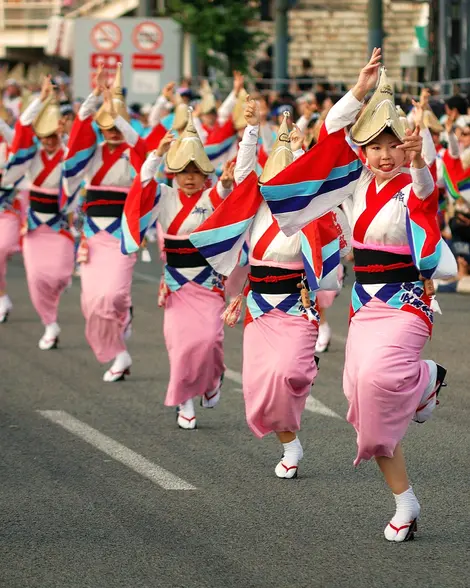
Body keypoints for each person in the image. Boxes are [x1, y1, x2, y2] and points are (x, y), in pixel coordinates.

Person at [259, 48, 456, 541]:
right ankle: (404, 501)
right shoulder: (351, 187)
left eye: (392, 145)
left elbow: (428, 191)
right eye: (374, 146)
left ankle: (423, 377)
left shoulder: (412, 185)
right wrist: (360, 89)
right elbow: (330, 132)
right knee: (362, 398)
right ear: (362, 151)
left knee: (377, 377)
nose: (384, 154)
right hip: (365, 303)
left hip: (408, 301)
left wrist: (419, 161)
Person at [190, 103, 347, 477]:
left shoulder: (312, 212)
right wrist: (251, 130)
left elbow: (336, 247)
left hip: (296, 304)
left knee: (289, 372)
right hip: (259, 307)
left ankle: (306, 367)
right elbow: (245, 173)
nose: (278, 189)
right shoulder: (256, 205)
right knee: (261, 385)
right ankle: (289, 444)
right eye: (274, 183)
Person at [121, 109, 235, 429]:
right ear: (173, 173)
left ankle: (212, 379)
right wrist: (156, 155)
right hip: (176, 285)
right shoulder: (164, 195)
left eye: (196, 171)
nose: (189, 177)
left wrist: (226, 185)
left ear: (205, 175)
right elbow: (142, 187)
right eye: (183, 170)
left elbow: (226, 199)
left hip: (208, 284)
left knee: (210, 340)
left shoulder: (211, 195)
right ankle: (185, 401)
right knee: (181, 344)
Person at [62, 63, 147, 381]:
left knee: (111, 296)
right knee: (91, 303)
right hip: (92, 238)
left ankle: (122, 323)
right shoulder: (92, 153)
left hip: (122, 236)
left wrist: (121, 118)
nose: (112, 130)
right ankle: (119, 352)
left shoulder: (134, 152)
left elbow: (142, 151)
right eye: (107, 125)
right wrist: (96, 96)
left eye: (117, 125)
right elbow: (78, 134)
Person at [2, 76, 74, 348]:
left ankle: (52, 307)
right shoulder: (31, 155)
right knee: (35, 277)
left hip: (60, 224)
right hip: (34, 226)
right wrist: (41, 100)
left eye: (53, 136)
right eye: (44, 137)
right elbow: (21, 126)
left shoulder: (71, 155)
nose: (49, 141)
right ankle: (49, 324)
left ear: (60, 133)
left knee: (60, 276)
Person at [0, 105, 18, 323]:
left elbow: (16, 140)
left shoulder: (13, 146)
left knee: (2, 248)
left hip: (8, 207)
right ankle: (2, 296)